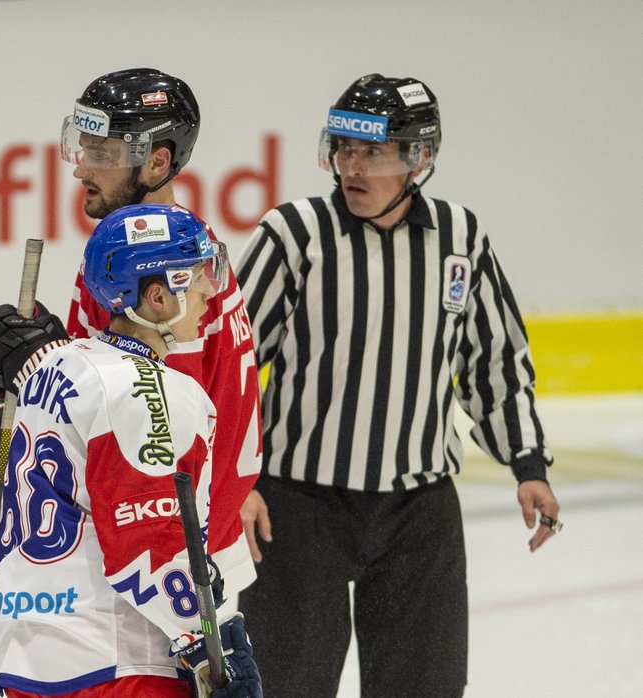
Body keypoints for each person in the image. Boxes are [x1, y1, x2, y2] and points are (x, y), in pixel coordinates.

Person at [235, 73, 563, 697]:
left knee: (426, 687)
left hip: (419, 512)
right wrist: (236, 481)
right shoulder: (294, 234)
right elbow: (234, 365)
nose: (351, 167)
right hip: (300, 509)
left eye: (373, 153)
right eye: (344, 148)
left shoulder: (460, 238)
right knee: (284, 686)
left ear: (420, 158)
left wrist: (528, 464)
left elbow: (494, 359)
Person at [0, 68, 262, 597]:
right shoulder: (136, 247)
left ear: (157, 161)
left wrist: (39, 363)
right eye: (82, 148)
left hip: (176, 562)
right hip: (173, 539)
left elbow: (153, 424)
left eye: (101, 155)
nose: (80, 169)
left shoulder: (167, 267)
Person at [0, 203, 261, 698]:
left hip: (29, 658)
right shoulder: (148, 391)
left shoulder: (53, 365)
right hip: (117, 666)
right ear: (158, 296)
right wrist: (209, 643)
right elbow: (148, 546)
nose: (210, 292)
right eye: (199, 276)